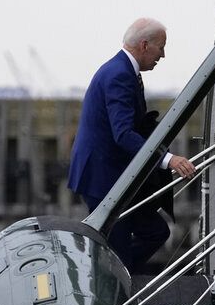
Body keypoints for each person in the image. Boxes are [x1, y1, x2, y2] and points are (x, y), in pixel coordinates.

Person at [68, 17, 197, 274]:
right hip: (103, 178)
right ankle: (111, 283)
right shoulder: (119, 75)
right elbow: (124, 134)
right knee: (122, 248)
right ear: (145, 45)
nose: (163, 54)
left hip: (112, 176)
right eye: (161, 47)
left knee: (154, 231)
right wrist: (168, 159)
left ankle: (112, 278)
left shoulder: (123, 71)